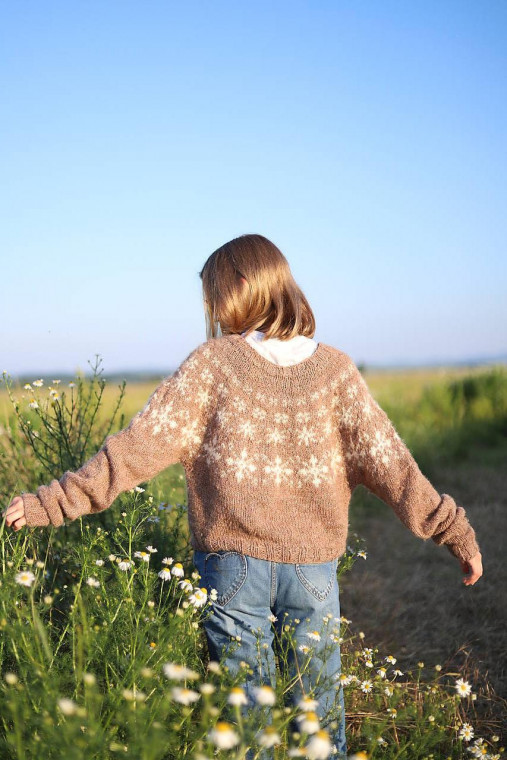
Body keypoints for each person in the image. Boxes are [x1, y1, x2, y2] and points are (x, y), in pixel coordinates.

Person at [2, 233, 483, 759]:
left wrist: (53, 500)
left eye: (213, 296)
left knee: (243, 728)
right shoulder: (337, 373)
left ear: (243, 286)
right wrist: (452, 530)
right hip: (312, 572)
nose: (212, 311)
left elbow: (133, 451)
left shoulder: (212, 366)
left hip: (231, 567)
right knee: (317, 724)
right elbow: (395, 469)